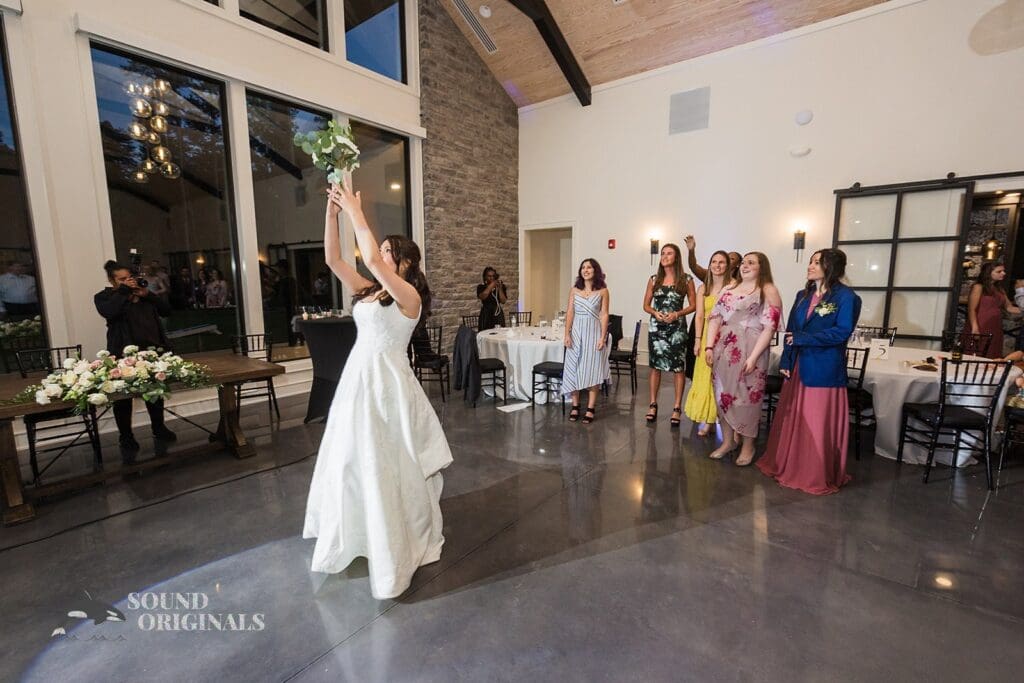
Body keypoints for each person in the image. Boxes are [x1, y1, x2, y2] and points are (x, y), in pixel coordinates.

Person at [304, 182, 452, 600]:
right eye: (382, 250)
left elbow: (366, 255)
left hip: (387, 387)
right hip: (357, 382)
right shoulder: (370, 292)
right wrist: (332, 215)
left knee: (387, 461)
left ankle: (395, 535)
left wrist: (356, 209)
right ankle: (359, 531)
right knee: (352, 460)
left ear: (404, 261)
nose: (379, 256)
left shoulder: (409, 298)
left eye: (388, 251)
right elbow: (334, 259)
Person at [757, 249, 861, 494]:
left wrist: (804, 339)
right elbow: (792, 331)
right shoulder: (802, 295)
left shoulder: (847, 297)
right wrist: (786, 360)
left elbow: (842, 331)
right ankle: (788, 465)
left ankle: (813, 473)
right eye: (811, 261)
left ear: (831, 267)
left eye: (817, 262)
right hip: (798, 367)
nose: (811, 266)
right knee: (794, 419)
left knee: (815, 424)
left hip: (824, 369)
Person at [704, 252, 782, 466]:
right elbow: (715, 319)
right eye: (743, 262)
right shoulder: (728, 289)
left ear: (761, 267)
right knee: (722, 396)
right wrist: (709, 346)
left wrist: (754, 356)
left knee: (748, 399)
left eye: (751, 263)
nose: (745, 266)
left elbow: (770, 327)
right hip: (724, 349)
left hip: (751, 349)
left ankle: (748, 445)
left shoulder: (767, 290)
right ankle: (728, 441)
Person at [94, 260, 177, 461]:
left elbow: (166, 310)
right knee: (123, 398)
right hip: (122, 353)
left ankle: (158, 427)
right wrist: (124, 292)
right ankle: (126, 436)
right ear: (112, 280)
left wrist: (147, 295)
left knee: (155, 392)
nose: (128, 282)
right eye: (122, 279)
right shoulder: (105, 297)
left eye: (129, 278)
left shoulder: (143, 294)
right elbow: (109, 312)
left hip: (152, 351)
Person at [643, 244, 696, 427]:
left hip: (677, 329)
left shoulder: (686, 279)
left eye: (669, 253)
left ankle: (676, 407)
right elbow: (646, 305)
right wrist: (655, 313)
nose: (665, 256)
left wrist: (677, 314)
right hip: (656, 328)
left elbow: (693, 305)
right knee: (655, 367)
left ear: (677, 257)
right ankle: (652, 404)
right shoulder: (654, 279)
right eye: (663, 253)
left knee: (678, 368)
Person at [686, 250, 731, 436]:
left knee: (723, 380)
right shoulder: (702, 288)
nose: (717, 265)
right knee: (705, 377)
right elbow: (699, 316)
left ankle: (725, 419)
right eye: (714, 261)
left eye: (721, 262)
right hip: (705, 337)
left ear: (728, 265)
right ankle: (707, 419)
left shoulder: (733, 287)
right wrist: (697, 341)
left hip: (726, 337)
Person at [682, 236, 741, 379]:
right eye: (714, 262)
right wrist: (691, 251)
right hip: (703, 332)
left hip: (724, 334)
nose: (718, 265)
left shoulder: (737, 286)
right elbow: (693, 266)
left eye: (727, 260)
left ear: (736, 264)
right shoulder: (706, 283)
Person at [562, 258, 611, 424]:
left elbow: (604, 314)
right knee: (573, 368)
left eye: (589, 267)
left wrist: (602, 337)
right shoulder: (574, 290)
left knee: (593, 369)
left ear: (595, 270)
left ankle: (590, 407)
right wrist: (567, 334)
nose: (586, 270)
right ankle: (575, 405)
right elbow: (570, 312)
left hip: (593, 331)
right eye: (583, 267)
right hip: (576, 333)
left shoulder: (603, 291)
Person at [966, 261, 1020, 358]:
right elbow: (971, 309)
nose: (1004, 273)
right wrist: (975, 328)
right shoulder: (978, 287)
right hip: (980, 324)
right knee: (977, 352)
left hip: (995, 325)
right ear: (988, 273)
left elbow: (1009, 307)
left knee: (992, 352)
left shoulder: (999, 289)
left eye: (1003, 271)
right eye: (999, 271)